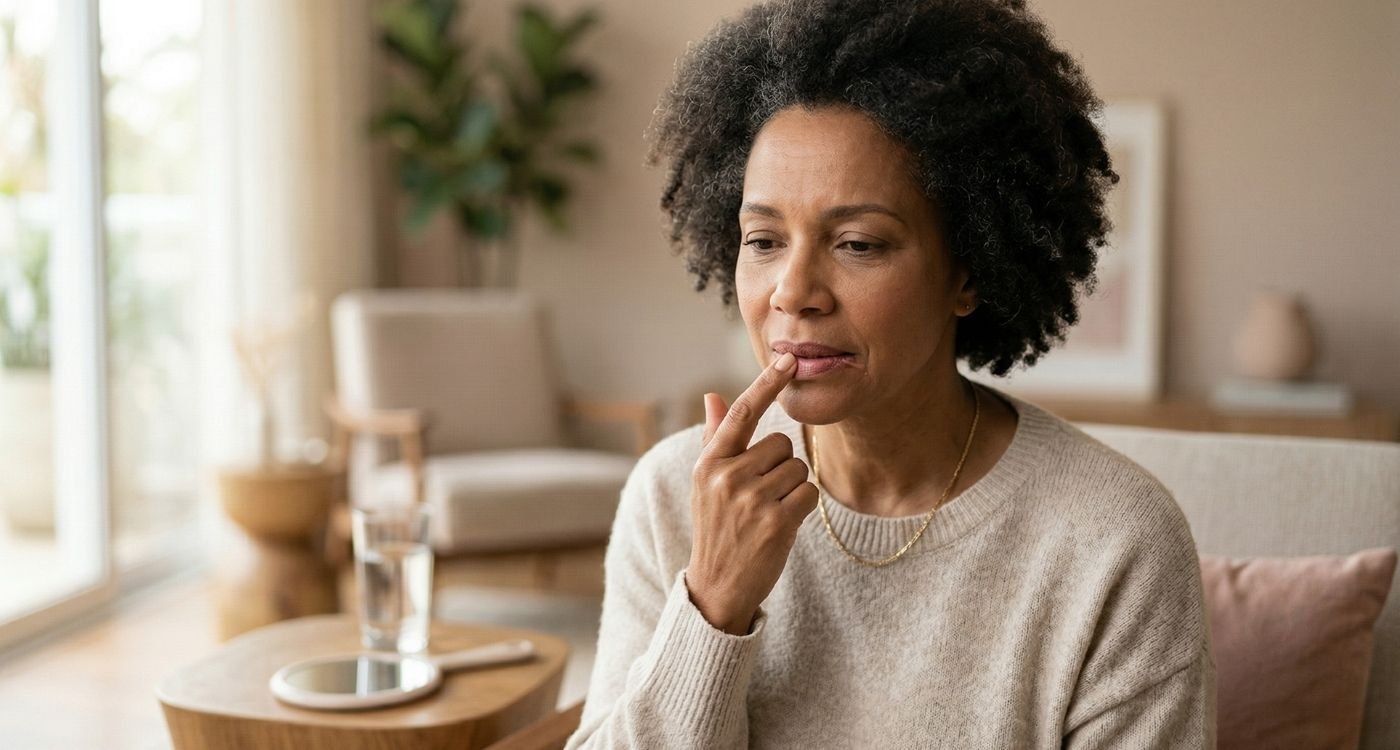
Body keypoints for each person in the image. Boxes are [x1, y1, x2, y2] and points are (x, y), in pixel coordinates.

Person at [565, 0, 1214, 747]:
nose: (793, 292)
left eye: (860, 244)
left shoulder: (1115, 544)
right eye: (763, 239)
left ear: (967, 273)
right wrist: (712, 606)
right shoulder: (675, 496)